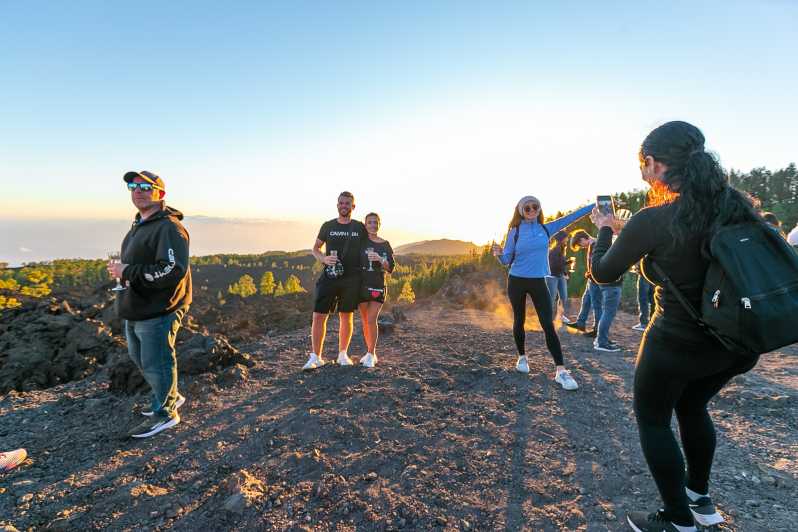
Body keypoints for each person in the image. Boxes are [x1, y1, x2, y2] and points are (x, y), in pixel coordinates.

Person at [590, 121, 763, 532]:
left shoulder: (655, 219)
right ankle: (700, 500)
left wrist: (604, 230)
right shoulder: (738, 207)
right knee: (692, 405)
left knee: (653, 420)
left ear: (654, 164)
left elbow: (602, 273)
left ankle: (676, 519)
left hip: (677, 342)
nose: (643, 175)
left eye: (643, 166)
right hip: (737, 344)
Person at [108, 171, 192, 439]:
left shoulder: (169, 227)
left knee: (157, 361)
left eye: (146, 186)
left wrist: (129, 271)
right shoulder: (140, 223)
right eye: (133, 186)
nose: (138, 190)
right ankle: (170, 395)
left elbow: (172, 269)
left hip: (160, 308)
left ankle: (166, 414)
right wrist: (125, 272)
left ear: (160, 194)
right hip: (137, 306)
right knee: (140, 357)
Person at [491, 196, 594, 390]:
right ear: (520, 211)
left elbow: (574, 216)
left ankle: (561, 371)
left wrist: (595, 205)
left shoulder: (546, 228)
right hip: (517, 280)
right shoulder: (515, 231)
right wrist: (498, 254)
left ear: (539, 209)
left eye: (534, 207)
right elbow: (506, 260)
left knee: (548, 324)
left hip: (539, 281)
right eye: (527, 208)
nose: (531, 210)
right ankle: (522, 358)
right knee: (519, 319)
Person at [303, 192, 367, 370]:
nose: (344, 206)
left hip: (351, 278)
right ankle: (316, 357)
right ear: (337, 205)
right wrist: (323, 259)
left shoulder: (359, 227)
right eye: (341, 203)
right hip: (329, 277)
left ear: (353, 207)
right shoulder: (328, 226)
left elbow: (369, 245)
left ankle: (342, 354)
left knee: (346, 316)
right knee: (318, 316)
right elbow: (315, 248)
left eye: (348, 203)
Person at [567, 228, 626, 351]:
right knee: (586, 301)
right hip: (592, 279)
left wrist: (591, 274)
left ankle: (596, 331)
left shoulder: (597, 245)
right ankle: (581, 323)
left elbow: (599, 264)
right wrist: (589, 273)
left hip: (596, 281)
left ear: (583, 238)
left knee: (597, 306)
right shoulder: (592, 245)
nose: (581, 247)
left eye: (579, 244)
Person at [358, 212, 395, 368]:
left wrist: (380, 259)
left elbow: (391, 267)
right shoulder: (360, 242)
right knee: (365, 320)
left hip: (377, 286)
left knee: (372, 319)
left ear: (379, 224)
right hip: (360, 285)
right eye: (369, 222)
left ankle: (372, 354)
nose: (373, 225)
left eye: (375, 222)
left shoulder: (385, 244)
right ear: (365, 225)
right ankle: (368, 352)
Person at [545, 231, 573, 324]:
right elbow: (553, 265)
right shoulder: (554, 250)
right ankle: (548, 318)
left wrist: (567, 264)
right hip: (552, 277)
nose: (567, 239)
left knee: (564, 297)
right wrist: (563, 269)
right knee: (551, 298)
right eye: (566, 238)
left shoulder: (561, 249)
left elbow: (560, 264)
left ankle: (560, 316)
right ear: (561, 239)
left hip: (560, 276)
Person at [632, 262, 654, 332]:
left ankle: (644, 323)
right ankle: (652, 322)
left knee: (643, 299)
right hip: (653, 274)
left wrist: (637, 267)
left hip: (644, 273)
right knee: (652, 299)